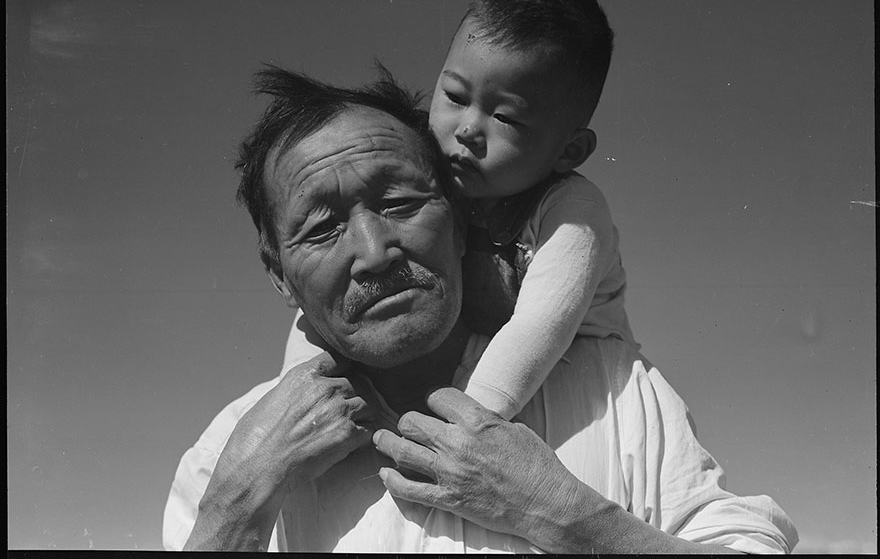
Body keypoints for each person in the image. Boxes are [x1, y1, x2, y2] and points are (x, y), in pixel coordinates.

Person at [163, 65, 797, 552]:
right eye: (323, 229)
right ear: (279, 277)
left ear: (462, 222)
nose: (374, 252)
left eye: (399, 203)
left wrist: (565, 514)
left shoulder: (609, 387)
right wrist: (237, 506)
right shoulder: (229, 455)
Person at [284, 0, 631, 420]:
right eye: (454, 95)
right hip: (481, 371)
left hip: (574, 387)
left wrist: (462, 432)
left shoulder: (573, 213)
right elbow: (321, 305)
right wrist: (295, 397)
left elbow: (537, 329)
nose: (467, 128)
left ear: (570, 150)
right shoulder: (434, 180)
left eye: (505, 118)